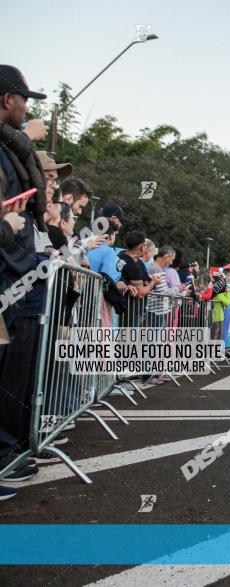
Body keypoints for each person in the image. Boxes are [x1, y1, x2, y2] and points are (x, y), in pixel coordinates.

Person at [0, 64, 49, 495]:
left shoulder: (10, 150)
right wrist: (9, 226)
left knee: (13, 371)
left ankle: (9, 449)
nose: (25, 109)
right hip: (5, 278)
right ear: (6, 100)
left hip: (15, 279)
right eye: (23, 99)